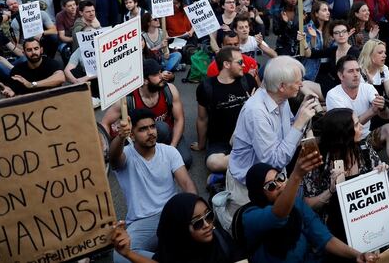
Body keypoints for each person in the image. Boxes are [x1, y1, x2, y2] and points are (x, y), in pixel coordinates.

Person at [226, 57, 321, 215]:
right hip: (249, 188)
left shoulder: (280, 99)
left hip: (273, 181)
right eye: (297, 81)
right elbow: (274, 161)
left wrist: (300, 115)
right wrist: (299, 123)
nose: (301, 84)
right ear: (282, 86)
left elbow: (287, 133)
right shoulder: (256, 112)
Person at [241, 157, 379, 263]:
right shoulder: (250, 216)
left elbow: (324, 238)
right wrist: (296, 175)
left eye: (280, 178)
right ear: (258, 193)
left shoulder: (295, 203)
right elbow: (278, 216)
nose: (278, 185)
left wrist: (357, 255)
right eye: (270, 186)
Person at [110, 109, 198, 262]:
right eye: (143, 129)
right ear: (131, 135)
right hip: (142, 221)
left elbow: (186, 183)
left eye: (152, 127)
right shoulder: (126, 155)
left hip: (172, 213)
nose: (150, 132)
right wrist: (120, 137)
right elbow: (113, 157)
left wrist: (194, 213)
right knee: (120, 255)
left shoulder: (169, 152)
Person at [302, 108, 384, 246]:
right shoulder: (317, 161)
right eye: (356, 125)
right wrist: (331, 191)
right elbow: (308, 205)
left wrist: (380, 173)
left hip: (367, 223)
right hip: (334, 231)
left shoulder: (364, 149)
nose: (361, 127)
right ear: (344, 133)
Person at [102, 59, 192, 168]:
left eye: (160, 72)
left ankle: (157, 159)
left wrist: (173, 146)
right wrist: (105, 149)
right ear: (144, 80)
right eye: (156, 74)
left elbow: (179, 119)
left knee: (185, 160)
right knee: (160, 127)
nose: (161, 76)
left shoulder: (170, 90)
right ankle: (150, 159)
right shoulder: (128, 99)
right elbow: (105, 122)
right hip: (142, 139)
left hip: (167, 135)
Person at [112, 193, 243, 263]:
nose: (207, 225)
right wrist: (127, 253)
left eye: (209, 216)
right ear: (181, 230)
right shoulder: (174, 254)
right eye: (197, 223)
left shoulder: (221, 240)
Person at [326, 56, 389, 163]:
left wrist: (382, 107)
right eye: (351, 71)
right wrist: (372, 111)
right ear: (340, 75)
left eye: (357, 70)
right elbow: (347, 128)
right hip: (346, 143)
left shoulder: (367, 88)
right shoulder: (333, 95)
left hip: (366, 137)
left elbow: (386, 116)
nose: (356, 74)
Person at [193, 46, 256, 175]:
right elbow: (202, 118)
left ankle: (233, 170)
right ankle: (249, 164)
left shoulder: (248, 81)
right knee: (213, 163)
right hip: (220, 142)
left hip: (247, 138)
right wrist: (201, 145)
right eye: (239, 62)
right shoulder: (206, 87)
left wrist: (253, 103)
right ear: (226, 64)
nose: (243, 65)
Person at [0, 37, 65, 98]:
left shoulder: (51, 63)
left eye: (36, 49)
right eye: (29, 50)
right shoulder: (17, 70)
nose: (33, 52)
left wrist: (32, 84)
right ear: (24, 53)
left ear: (41, 50)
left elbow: (61, 78)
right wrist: (11, 93)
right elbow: (13, 93)